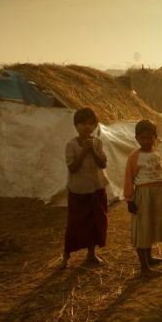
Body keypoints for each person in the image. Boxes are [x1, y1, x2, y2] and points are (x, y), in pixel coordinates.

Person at [62, 107, 108, 268]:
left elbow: (103, 164)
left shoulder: (98, 142)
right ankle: (66, 256)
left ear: (95, 126)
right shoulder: (71, 145)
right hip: (78, 190)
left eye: (91, 124)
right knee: (75, 223)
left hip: (96, 187)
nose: (87, 127)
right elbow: (72, 168)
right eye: (82, 123)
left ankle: (91, 254)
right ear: (76, 125)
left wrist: (93, 150)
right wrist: (84, 151)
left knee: (95, 222)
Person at [124, 120, 162, 277]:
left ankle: (149, 258)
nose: (146, 141)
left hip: (158, 195)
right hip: (143, 196)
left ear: (155, 137)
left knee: (151, 226)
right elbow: (129, 178)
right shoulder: (134, 157)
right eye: (142, 138)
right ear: (137, 138)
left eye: (149, 137)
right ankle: (144, 267)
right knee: (143, 228)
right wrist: (129, 199)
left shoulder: (158, 154)